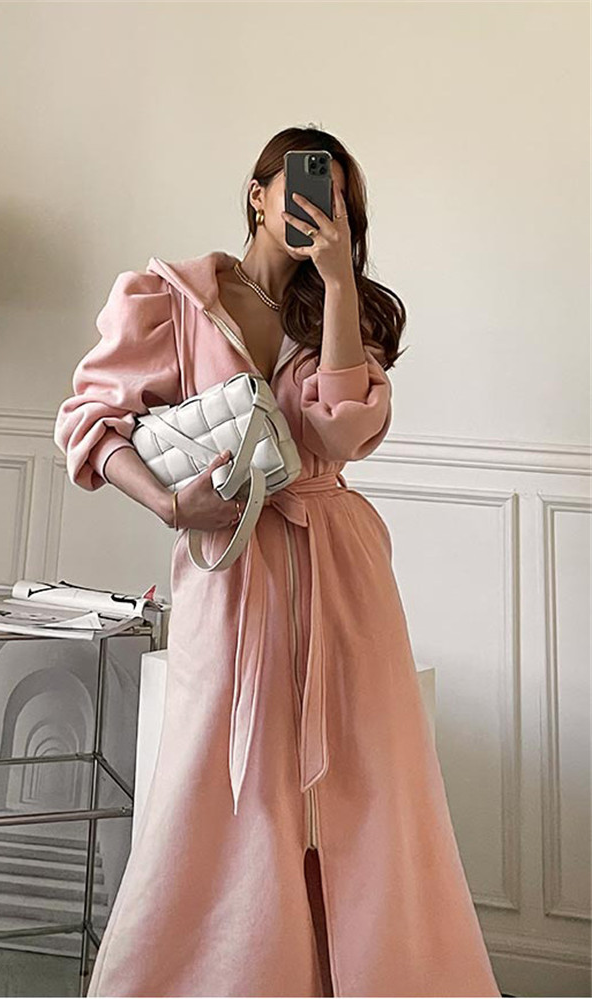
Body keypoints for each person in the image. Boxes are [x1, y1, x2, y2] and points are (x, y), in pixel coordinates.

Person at [53, 125, 502, 998]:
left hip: (342, 570)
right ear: (258, 194)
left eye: (336, 200)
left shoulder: (350, 309)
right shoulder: (169, 299)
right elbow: (89, 421)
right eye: (299, 189)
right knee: (218, 789)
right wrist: (171, 505)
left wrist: (336, 284)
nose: (315, 208)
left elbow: (343, 430)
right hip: (230, 570)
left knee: (369, 787)